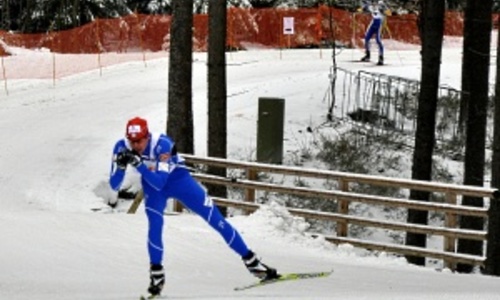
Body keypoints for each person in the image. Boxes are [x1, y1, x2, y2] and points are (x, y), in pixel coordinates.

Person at [108, 117, 279, 297]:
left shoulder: (163, 144)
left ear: (147, 136)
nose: (136, 146)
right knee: (155, 226)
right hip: (153, 188)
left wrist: (139, 165)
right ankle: (156, 275)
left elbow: (160, 181)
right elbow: (114, 184)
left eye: (139, 141)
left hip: (178, 181)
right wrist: (120, 166)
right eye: (132, 141)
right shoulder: (121, 146)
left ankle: (253, 263)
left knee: (215, 219)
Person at [359, 0, 391, 65]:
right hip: (373, 22)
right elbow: (364, 8)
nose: (374, 4)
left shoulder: (381, 4)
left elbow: (389, 13)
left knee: (378, 40)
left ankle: (381, 57)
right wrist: (361, 10)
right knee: (367, 38)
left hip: (379, 23)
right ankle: (367, 55)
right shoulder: (369, 5)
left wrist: (385, 12)